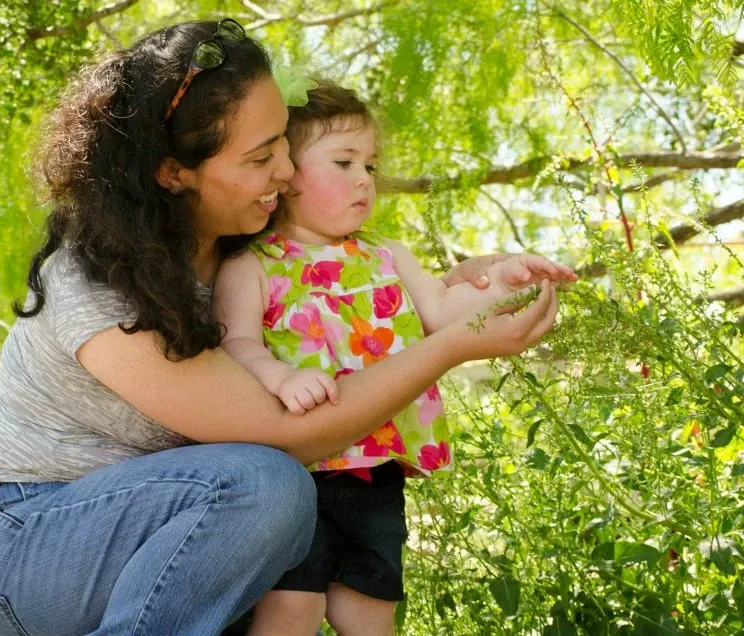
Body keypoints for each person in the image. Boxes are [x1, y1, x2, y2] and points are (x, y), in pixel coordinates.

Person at [0, 19, 567, 636]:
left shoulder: (251, 252)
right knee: (267, 487)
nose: (287, 172)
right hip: (24, 535)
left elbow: (342, 300)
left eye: (287, 147)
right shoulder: (96, 282)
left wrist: (464, 286)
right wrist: (453, 345)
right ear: (173, 171)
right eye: (262, 155)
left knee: (275, 534)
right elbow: (283, 435)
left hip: (174, 527)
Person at [211, 79, 576, 636]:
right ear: (284, 177)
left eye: (370, 167)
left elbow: (445, 309)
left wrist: (505, 277)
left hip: (375, 473)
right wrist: (279, 375)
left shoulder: (387, 255)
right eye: (343, 162)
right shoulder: (253, 265)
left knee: (371, 609)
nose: (364, 179)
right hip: (293, 473)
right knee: (291, 610)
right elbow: (237, 344)